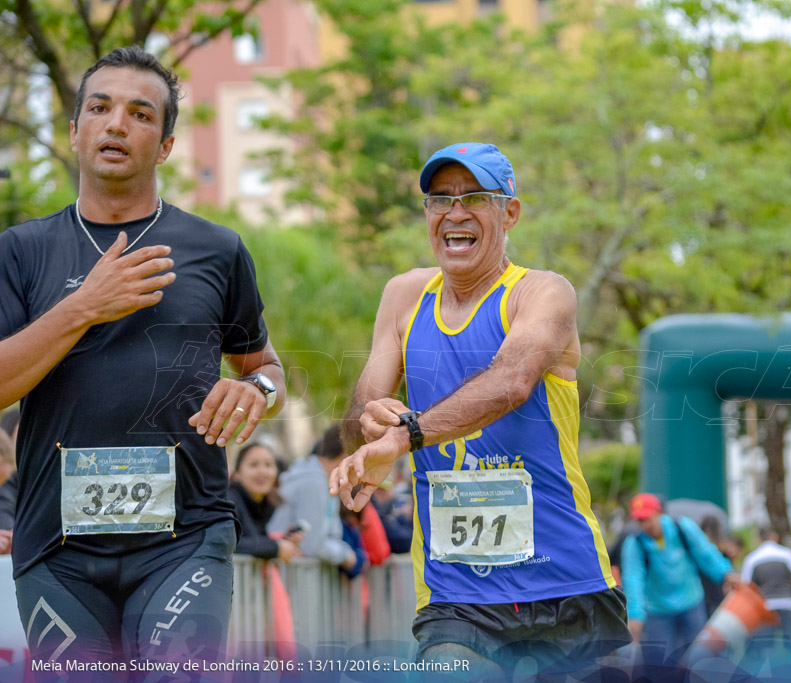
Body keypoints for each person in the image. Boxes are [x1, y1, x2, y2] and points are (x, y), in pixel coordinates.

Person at [0, 46, 285, 667]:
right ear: (75, 132)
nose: (116, 123)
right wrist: (83, 307)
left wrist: (257, 391)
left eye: (140, 113)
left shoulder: (216, 249)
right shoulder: (20, 251)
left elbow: (265, 369)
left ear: (166, 145)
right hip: (57, 547)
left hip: (184, 538)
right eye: (99, 108)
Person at [329, 142, 630, 677]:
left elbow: (511, 382)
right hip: (455, 592)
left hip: (564, 578)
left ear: (509, 211)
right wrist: (371, 427)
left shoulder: (542, 292)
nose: (455, 212)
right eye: (440, 200)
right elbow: (359, 420)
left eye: (475, 197)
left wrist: (408, 435)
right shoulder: (404, 296)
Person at [621, 493, 738, 663]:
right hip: (657, 609)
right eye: (639, 520)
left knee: (699, 658)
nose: (644, 525)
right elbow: (633, 579)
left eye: (647, 518)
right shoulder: (634, 543)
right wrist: (635, 615)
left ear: (659, 513)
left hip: (691, 602)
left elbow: (706, 553)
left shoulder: (682, 528)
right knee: (660, 663)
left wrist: (726, 573)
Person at [269, 425, 358, 572]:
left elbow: (331, 535)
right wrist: (345, 555)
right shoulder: (314, 482)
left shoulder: (324, 479)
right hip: (285, 574)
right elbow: (312, 545)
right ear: (346, 456)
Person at [740, 525, 791, 658]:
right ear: (775, 537)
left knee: (764, 650)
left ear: (758, 539)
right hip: (787, 604)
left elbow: (746, 587)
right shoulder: (787, 554)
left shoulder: (752, 559)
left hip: (764, 609)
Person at [227, 443, 303, 563]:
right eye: (253, 465)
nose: (262, 471)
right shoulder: (229, 502)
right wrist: (275, 547)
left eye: (268, 465)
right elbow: (225, 542)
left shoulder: (264, 505)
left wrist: (284, 542)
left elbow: (253, 541)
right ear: (237, 474)